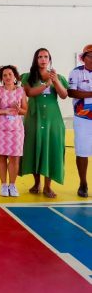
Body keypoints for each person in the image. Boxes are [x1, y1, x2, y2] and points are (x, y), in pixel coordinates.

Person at [20, 48, 68, 198]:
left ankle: (48, 186)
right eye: (40, 57)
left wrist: (55, 81)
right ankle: (37, 183)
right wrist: (47, 84)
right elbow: (29, 93)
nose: (43, 59)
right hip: (34, 117)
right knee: (34, 148)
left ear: (49, 59)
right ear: (36, 59)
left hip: (53, 119)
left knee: (50, 149)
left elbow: (64, 95)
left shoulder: (57, 77)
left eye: (46, 57)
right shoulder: (28, 77)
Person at [0, 65, 28, 197]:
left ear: (15, 76)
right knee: (1, 156)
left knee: (15, 158)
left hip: (16, 129)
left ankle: (12, 185)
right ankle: (3, 185)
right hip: (0, 128)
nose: (7, 77)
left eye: (10, 74)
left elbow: (25, 111)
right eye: (4, 75)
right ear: (1, 78)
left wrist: (18, 109)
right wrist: (5, 111)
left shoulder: (21, 91)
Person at [68, 44, 92, 198]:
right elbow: (71, 92)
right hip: (82, 117)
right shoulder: (76, 72)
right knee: (82, 151)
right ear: (84, 58)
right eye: (91, 56)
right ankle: (83, 183)